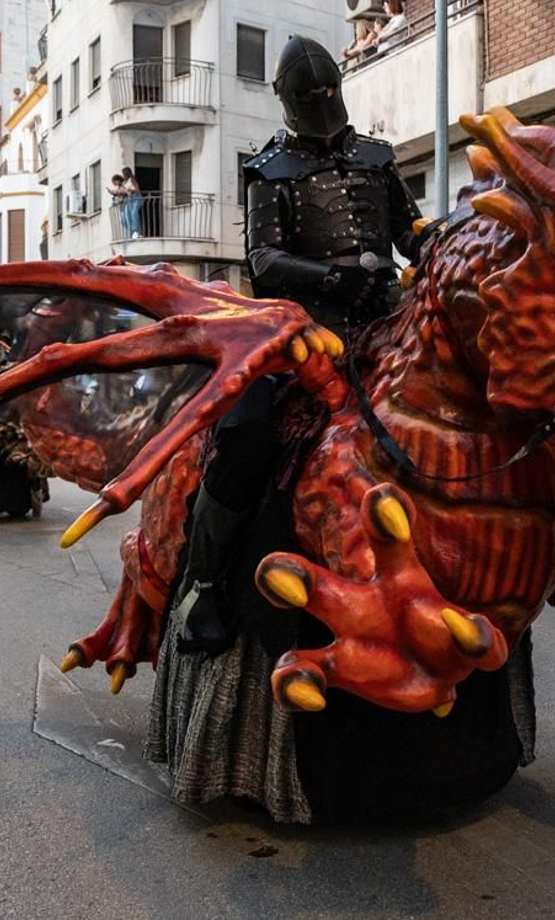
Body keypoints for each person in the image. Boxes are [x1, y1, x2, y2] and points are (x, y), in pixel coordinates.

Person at [173, 34, 423, 652]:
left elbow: (411, 234)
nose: (320, 99)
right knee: (244, 430)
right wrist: (333, 277)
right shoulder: (268, 168)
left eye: (327, 90)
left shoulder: (376, 157)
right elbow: (263, 258)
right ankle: (203, 582)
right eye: (310, 94)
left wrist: (452, 241)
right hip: (305, 332)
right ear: (288, 98)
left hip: (386, 318)